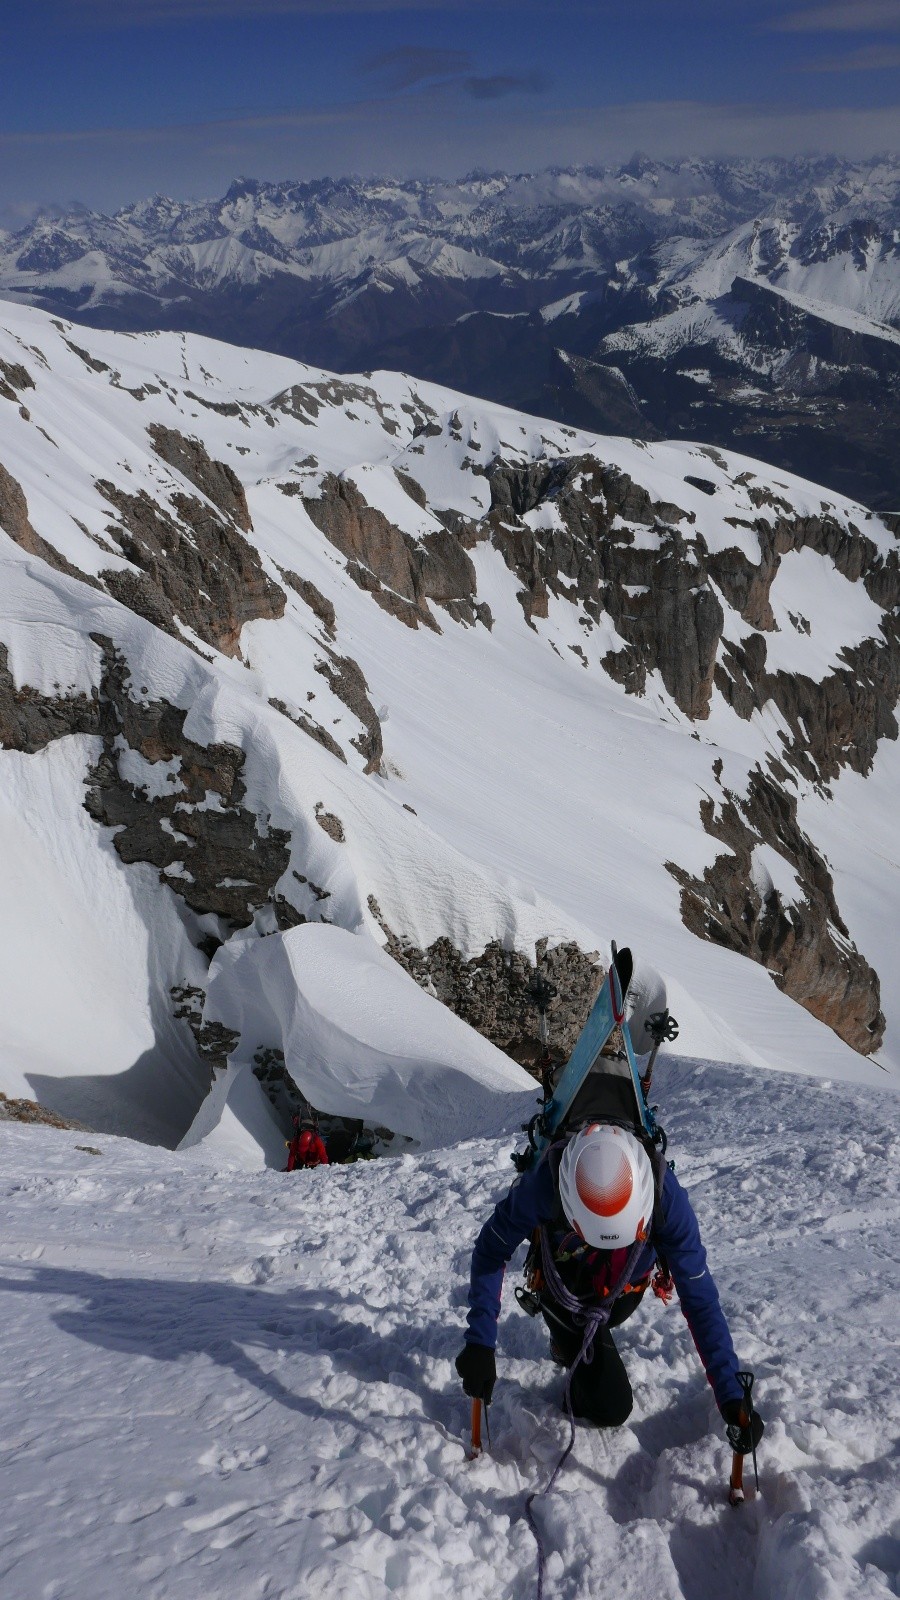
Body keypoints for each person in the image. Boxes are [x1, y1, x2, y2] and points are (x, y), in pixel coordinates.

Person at [455, 1121, 764, 1453]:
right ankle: (568, 1341)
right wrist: (480, 1341)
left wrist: (732, 1395)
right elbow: (492, 1247)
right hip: (565, 1289)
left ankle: (575, 1343)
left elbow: (700, 1298)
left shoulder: (665, 1197)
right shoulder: (547, 1183)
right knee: (610, 1405)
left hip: (623, 1291)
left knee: (604, 1338)